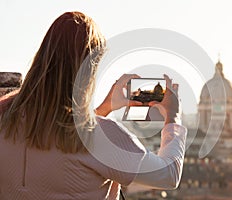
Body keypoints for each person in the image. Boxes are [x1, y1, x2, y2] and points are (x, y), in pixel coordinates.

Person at [0, 11, 187, 200]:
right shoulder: (104, 137)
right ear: (90, 70)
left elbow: (64, 137)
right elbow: (168, 175)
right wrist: (173, 117)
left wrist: (104, 109)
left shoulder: (4, 118)